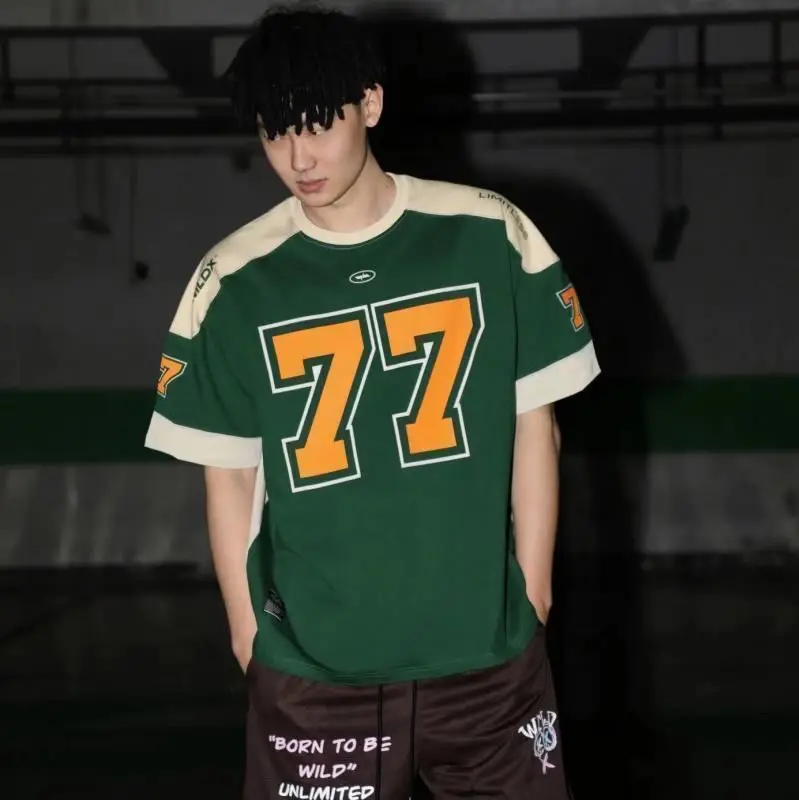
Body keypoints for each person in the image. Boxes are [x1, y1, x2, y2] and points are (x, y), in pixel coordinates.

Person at [144, 5, 600, 799]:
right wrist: (249, 638)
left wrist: (532, 593)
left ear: (371, 103)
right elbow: (229, 476)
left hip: (487, 660)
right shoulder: (232, 281)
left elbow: (537, 426)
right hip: (317, 674)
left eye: (318, 125)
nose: (298, 157)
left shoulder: (490, 233)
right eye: (275, 132)